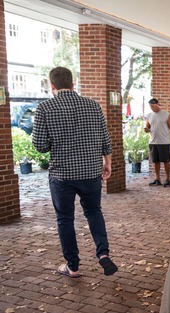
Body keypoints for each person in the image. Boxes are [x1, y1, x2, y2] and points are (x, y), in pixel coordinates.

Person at [32, 66, 118, 278]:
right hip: (90, 172)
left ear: (52, 86)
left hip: (62, 176)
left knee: (65, 219)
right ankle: (103, 254)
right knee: (94, 212)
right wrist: (107, 163)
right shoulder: (92, 105)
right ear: (73, 84)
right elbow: (105, 139)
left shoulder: (44, 108)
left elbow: (40, 145)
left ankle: (73, 266)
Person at [144, 98, 170, 187]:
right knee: (156, 161)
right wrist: (146, 129)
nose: (152, 108)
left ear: (158, 104)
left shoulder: (166, 115)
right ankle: (157, 179)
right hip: (153, 141)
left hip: (164, 142)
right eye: (150, 106)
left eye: (153, 106)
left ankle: (168, 179)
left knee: (166, 161)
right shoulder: (149, 115)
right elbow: (147, 127)